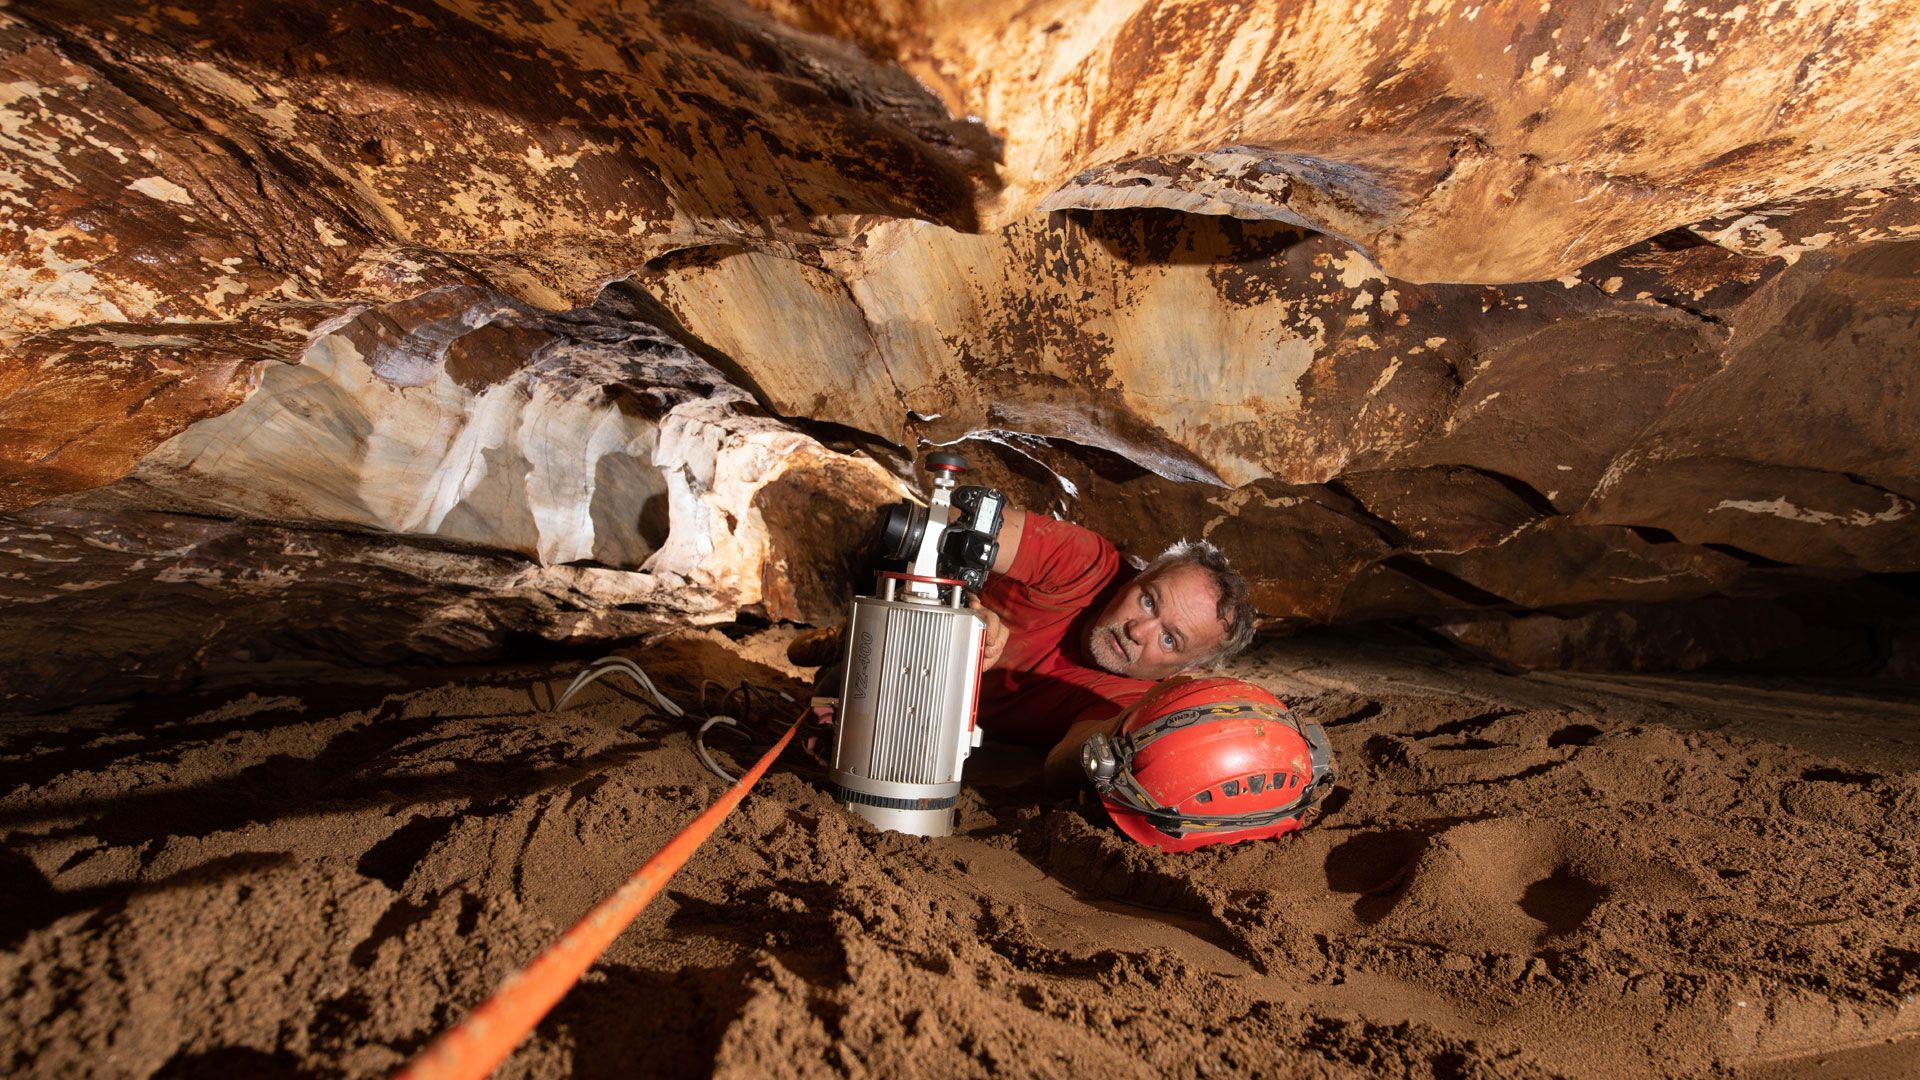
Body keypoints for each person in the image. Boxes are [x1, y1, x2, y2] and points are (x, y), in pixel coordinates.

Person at [966, 508, 1257, 784]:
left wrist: (1129, 739)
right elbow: (950, 523)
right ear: (1134, 579)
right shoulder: (1084, 563)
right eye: (1148, 602)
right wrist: (953, 607)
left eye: (1169, 639)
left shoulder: (1131, 702)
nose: (1137, 631)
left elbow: (1062, 765)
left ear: (1189, 668)